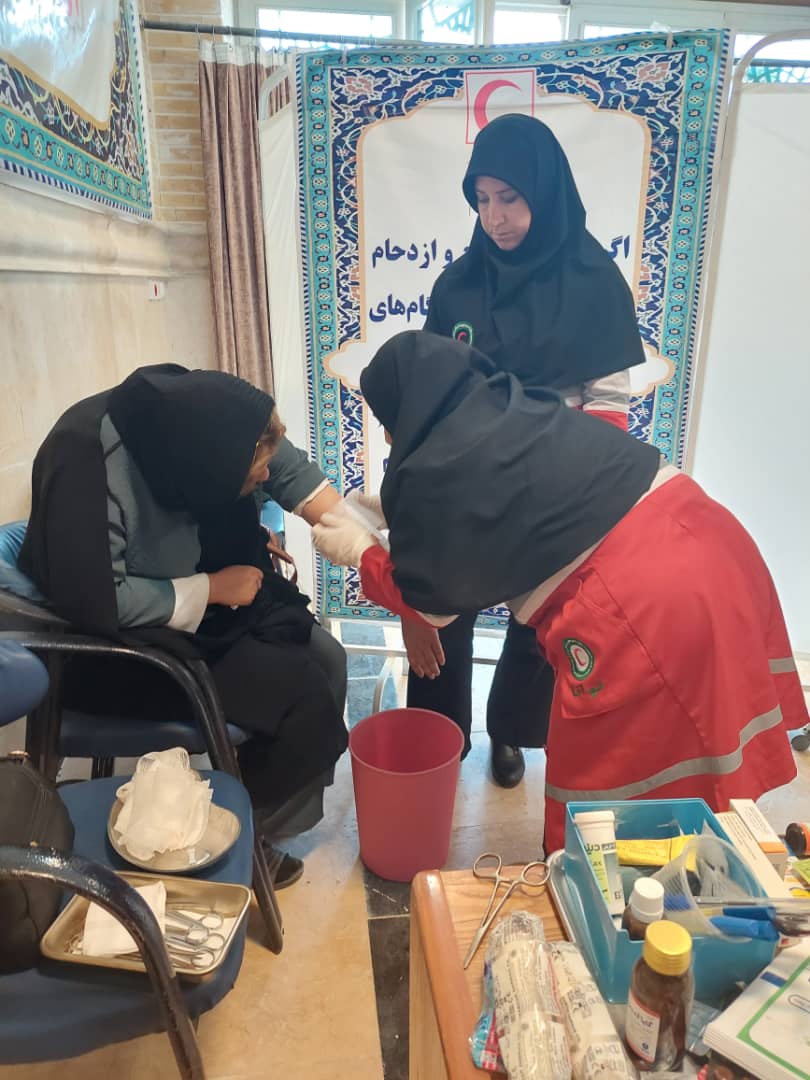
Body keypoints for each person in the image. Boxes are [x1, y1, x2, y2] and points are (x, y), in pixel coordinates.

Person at [312, 331, 805, 853]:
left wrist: (362, 552)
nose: (390, 437)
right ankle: (687, 862)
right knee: (703, 740)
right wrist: (402, 517)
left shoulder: (440, 465)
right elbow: (500, 504)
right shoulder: (512, 413)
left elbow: (433, 603)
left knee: (608, 796)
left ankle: (604, 888)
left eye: (387, 419)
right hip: (713, 543)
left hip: (643, 600)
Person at [20, 364, 349, 888]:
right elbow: (99, 597)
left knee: (330, 659)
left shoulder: (198, 419)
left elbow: (286, 469)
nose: (265, 480)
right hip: (113, 642)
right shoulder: (88, 466)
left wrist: (361, 542)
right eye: (254, 474)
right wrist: (212, 588)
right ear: (212, 471)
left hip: (197, 598)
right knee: (305, 700)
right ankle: (226, 842)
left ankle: (257, 821)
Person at [404, 113, 647, 788]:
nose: (495, 218)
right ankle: (439, 738)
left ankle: (509, 730)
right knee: (443, 606)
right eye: (482, 200)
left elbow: (608, 401)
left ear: (545, 192)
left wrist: (573, 481)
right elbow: (432, 382)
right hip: (465, 482)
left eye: (510, 198)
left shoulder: (594, 282)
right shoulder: (458, 285)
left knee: (538, 622)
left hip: (553, 486)